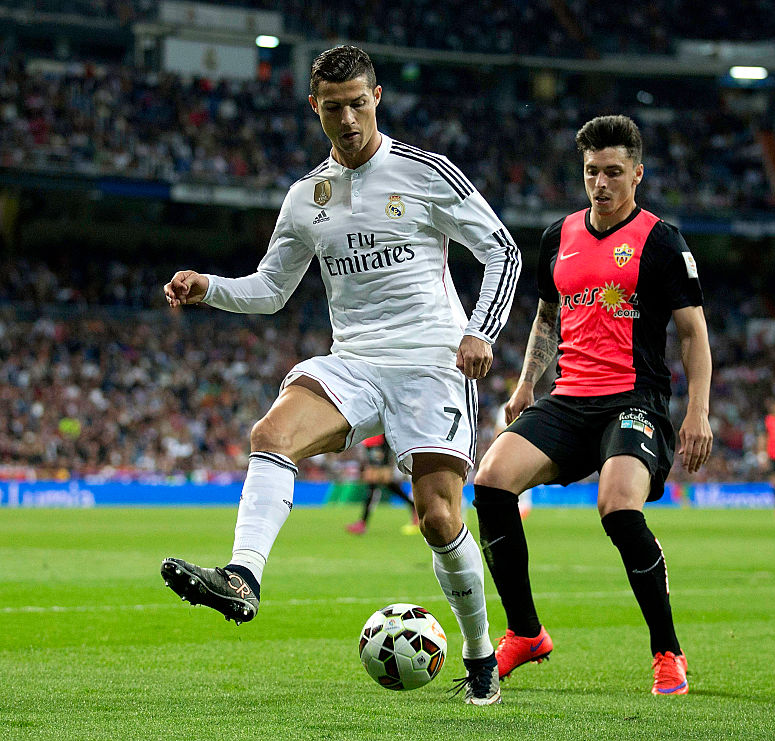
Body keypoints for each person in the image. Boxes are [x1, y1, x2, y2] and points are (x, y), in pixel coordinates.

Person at [159, 45, 521, 705]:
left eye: (358, 103)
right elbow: (271, 290)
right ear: (314, 109)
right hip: (353, 358)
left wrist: (480, 330)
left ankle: (478, 653)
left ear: (377, 98)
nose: (349, 118)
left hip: (431, 360)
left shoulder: (426, 172)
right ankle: (244, 576)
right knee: (271, 432)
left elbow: (503, 248)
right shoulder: (306, 198)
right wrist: (208, 285)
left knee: (438, 516)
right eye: (334, 108)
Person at [471, 115, 713, 696]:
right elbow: (548, 317)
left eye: (612, 172)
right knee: (491, 481)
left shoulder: (662, 242)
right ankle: (525, 632)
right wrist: (528, 384)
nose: (600, 184)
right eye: (590, 172)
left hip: (635, 401)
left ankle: (667, 651)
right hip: (568, 398)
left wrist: (698, 412)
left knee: (617, 504)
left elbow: (694, 334)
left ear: (637, 173)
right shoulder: (558, 236)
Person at [346, 434, 418, 535]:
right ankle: (413, 506)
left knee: (373, 486)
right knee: (388, 485)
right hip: (372, 447)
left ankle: (362, 523)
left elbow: (386, 438)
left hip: (379, 451)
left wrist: (383, 464)